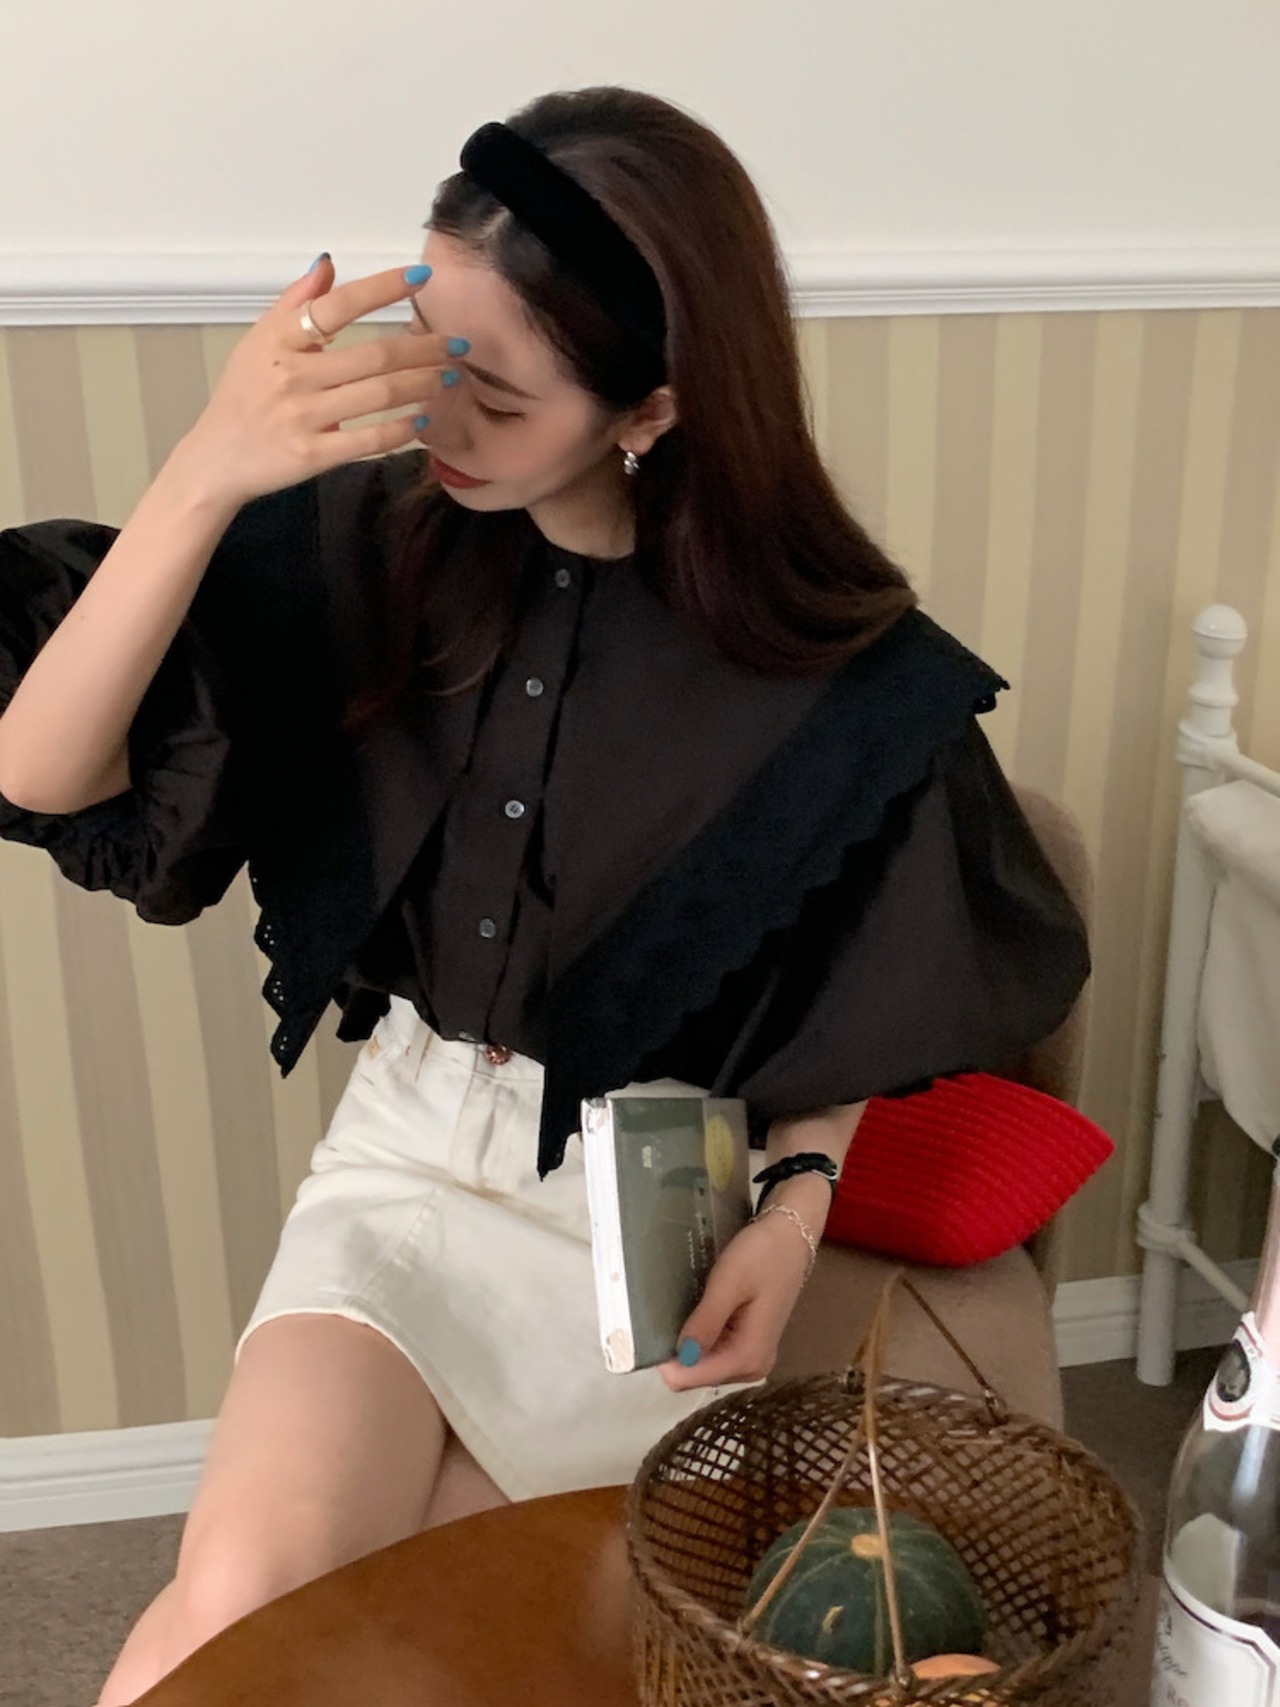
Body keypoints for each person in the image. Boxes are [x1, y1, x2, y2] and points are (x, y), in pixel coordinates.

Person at [0, 86, 1089, 1705]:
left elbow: (850, 979)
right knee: (239, 1606)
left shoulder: (839, 681)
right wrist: (209, 469)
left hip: (643, 1223)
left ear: (650, 404)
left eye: (498, 395)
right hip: (409, 1162)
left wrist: (795, 1213)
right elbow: (42, 773)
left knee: (406, 1654)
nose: (439, 417)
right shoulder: (359, 542)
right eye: (429, 351)